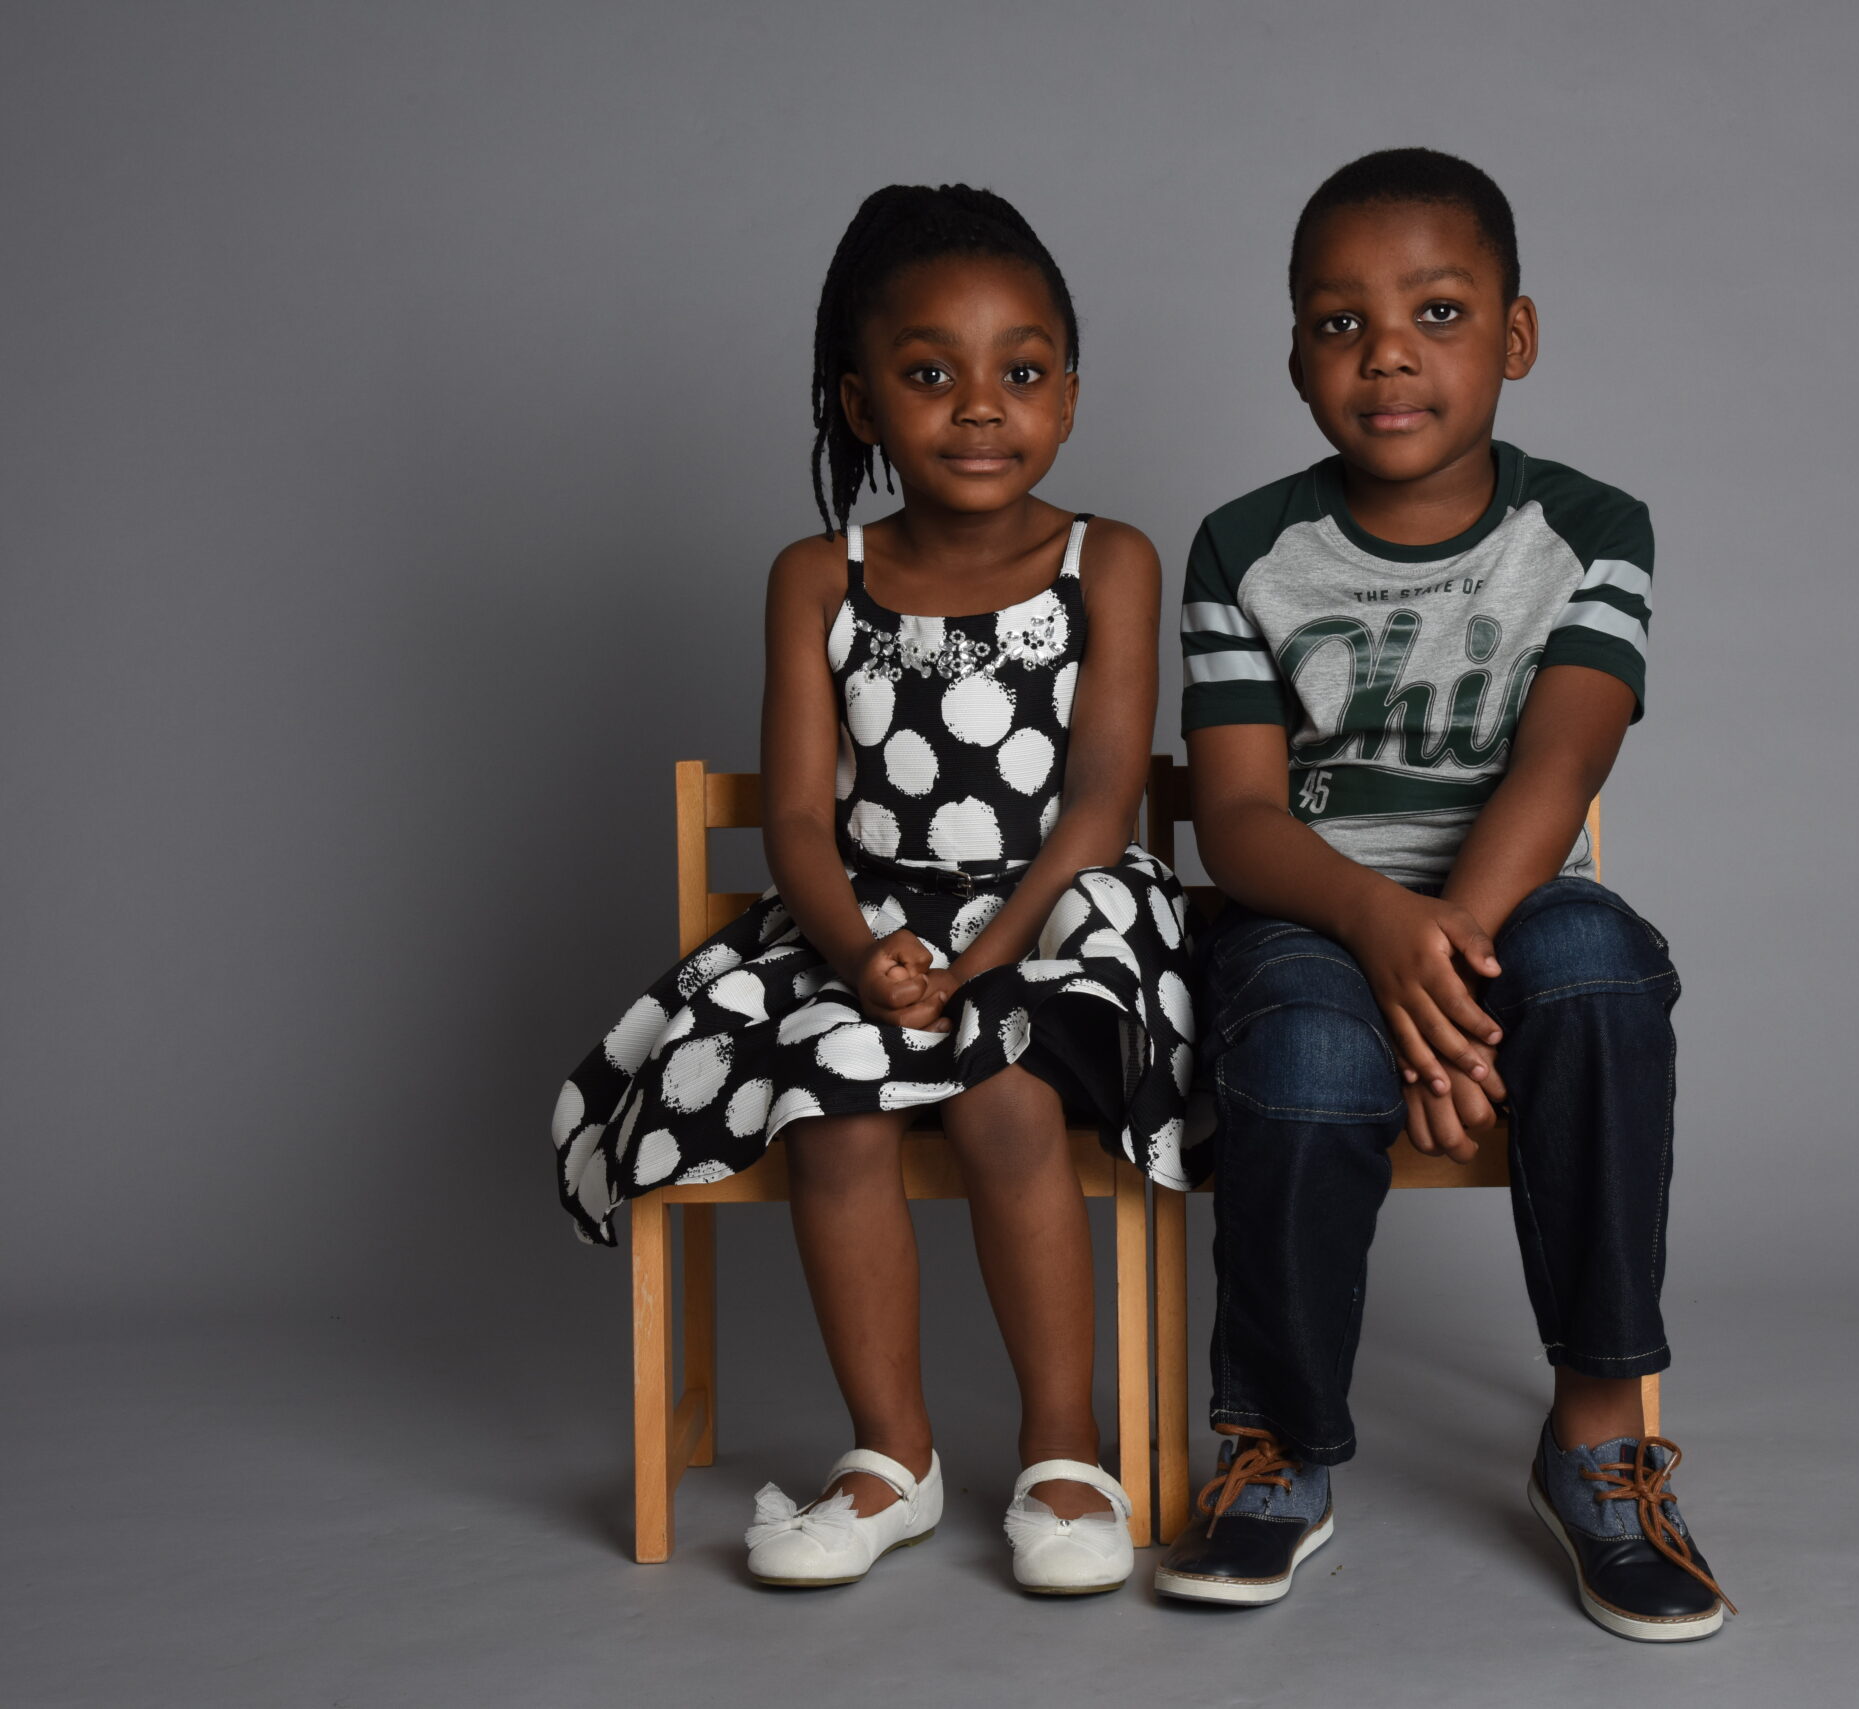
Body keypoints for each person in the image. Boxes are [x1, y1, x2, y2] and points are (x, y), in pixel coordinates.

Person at [550, 185, 1196, 1598]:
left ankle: (1065, 1448)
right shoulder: (816, 577)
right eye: (928, 374)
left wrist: (983, 959)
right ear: (858, 403)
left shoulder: (1111, 562)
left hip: (1058, 913)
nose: (980, 407)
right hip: (865, 919)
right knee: (832, 1105)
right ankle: (890, 1458)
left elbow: (1100, 801)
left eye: (1021, 372)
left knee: (1004, 1093)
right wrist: (863, 951)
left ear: (1070, 397)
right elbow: (792, 815)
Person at [1156, 148, 1733, 1641]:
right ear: (1294, 353)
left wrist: (1450, 960)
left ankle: (1597, 1440)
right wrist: (1378, 926)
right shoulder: (1245, 548)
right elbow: (1233, 815)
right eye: (1339, 322)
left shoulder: (1594, 530)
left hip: (1509, 911)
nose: (1388, 352)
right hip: (1314, 912)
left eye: (1438, 310)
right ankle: (1278, 1446)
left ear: (1516, 338)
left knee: (1604, 965)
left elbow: (1559, 762)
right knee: (1294, 1049)